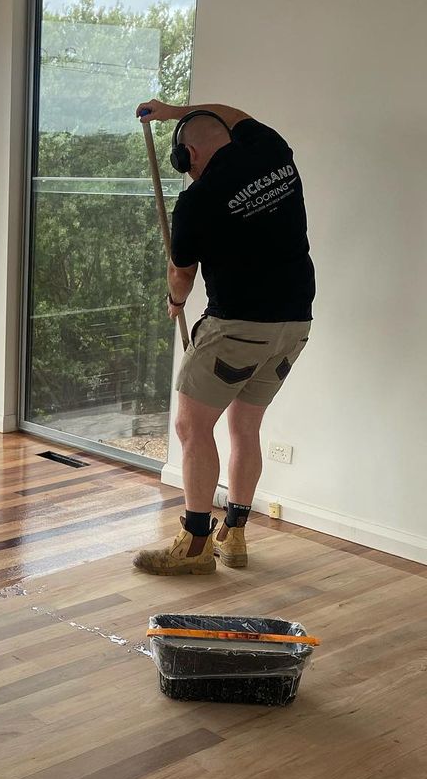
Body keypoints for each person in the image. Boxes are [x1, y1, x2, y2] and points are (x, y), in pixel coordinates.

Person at [132, 100, 315, 575]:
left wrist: (174, 301)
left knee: (192, 427)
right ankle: (233, 536)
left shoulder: (196, 200)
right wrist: (175, 111)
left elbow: (182, 273)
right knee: (245, 428)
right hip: (294, 325)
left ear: (187, 156)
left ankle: (194, 544)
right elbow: (233, 114)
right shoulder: (271, 149)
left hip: (237, 327)